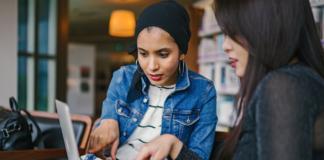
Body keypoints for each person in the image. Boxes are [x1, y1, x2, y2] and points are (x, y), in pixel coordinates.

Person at [134, 0, 324, 160]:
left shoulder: (283, 87)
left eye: (232, 33)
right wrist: (175, 146)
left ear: (265, 26)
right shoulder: (299, 80)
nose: (225, 46)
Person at [84, 1, 218, 160]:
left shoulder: (204, 91)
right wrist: (107, 120)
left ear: (182, 52)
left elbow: (199, 158)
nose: (152, 67)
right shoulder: (122, 77)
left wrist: (174, 145)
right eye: (143, 54)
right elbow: (105, 124)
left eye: (163, 55)